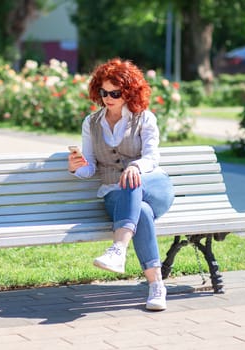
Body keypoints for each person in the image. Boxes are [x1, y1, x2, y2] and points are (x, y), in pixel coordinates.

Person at [68, 58, 175, 311]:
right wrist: (76, 168)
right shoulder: (91, 123)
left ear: (128, 91)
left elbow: (151, 157)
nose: (108, 97)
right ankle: (156, 286)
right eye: (104, 92)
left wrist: (135, 166)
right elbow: (91, 166)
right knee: (143, 213)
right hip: (114, 194)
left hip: (154, 186)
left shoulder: (144, 118)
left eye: (115, 92)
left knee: (132, 178)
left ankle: (118, 248)